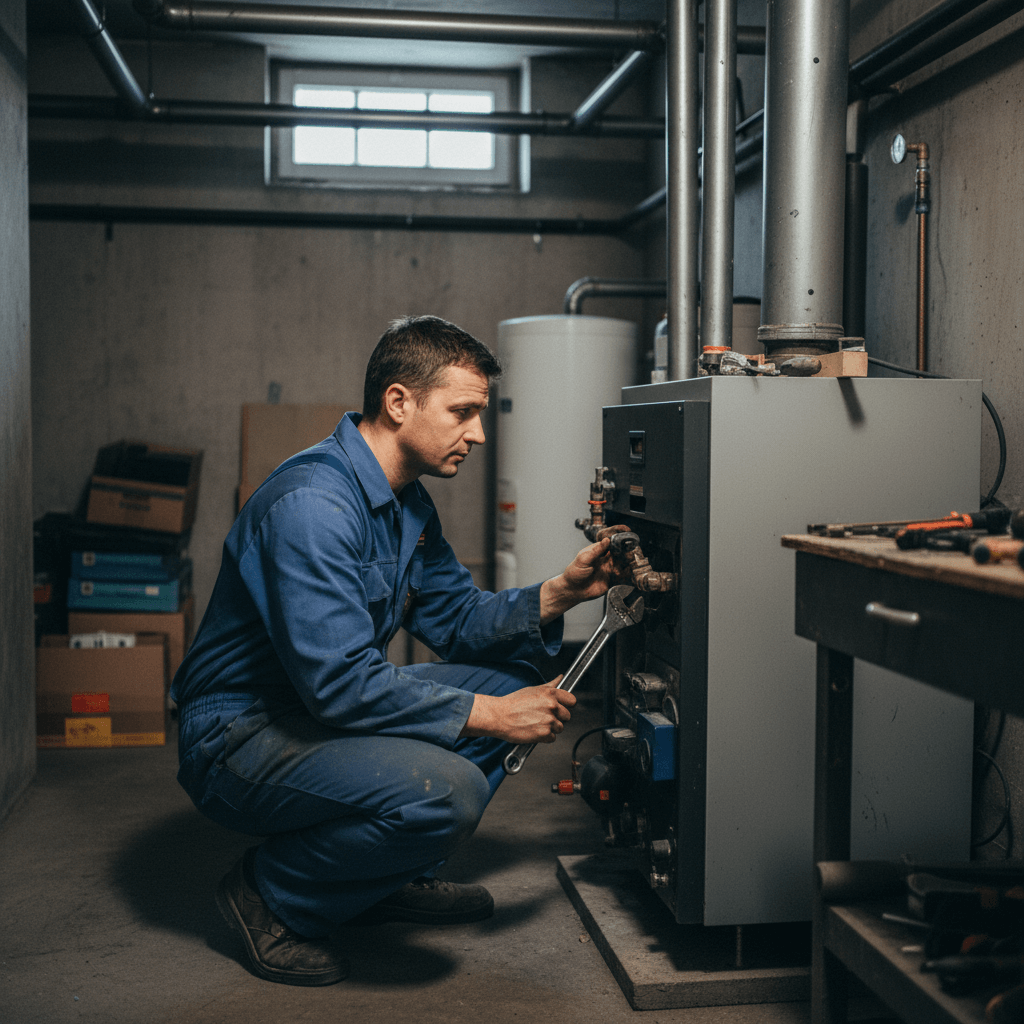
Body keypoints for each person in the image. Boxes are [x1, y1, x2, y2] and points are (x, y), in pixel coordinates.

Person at [172, 315, 625, 987]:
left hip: (311, 711)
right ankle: (269, 896)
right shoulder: (313, 507)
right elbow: (340, 687)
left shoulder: (407, 504)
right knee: (447, 792)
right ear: (398, 402)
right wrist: (494, 720)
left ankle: (375, 879)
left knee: (510, 678)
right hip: (238, 735)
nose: (477, 433)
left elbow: (461, 620)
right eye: (463, 412)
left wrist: (560, 593)